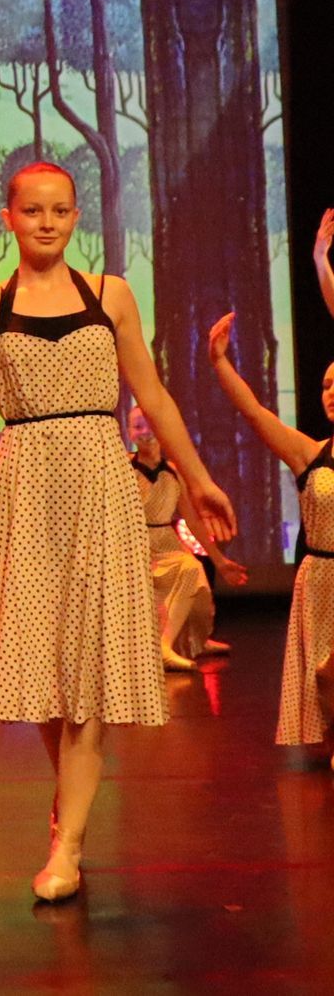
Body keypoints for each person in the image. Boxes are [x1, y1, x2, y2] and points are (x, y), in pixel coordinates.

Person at [0, 95, 234, 902]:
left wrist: (199, 478)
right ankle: (68, 797)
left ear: (76, 216)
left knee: (90, 672)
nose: (47, 221)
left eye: (60, 209)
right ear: (8, 218)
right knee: (43, 668)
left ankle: (68, 845)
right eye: (32, 210)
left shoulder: (110, 294)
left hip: (99, 478)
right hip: (28, 484)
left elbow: (154, 396)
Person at [209, 313, 334, 768]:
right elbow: (255, 413)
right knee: (325, 673)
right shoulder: (310, 453)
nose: (331, 392)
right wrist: (220, 363)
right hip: (321, 578)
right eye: (325, 385)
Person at [126, 405, 247, 669]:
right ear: (129, 433)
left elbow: (192, 519)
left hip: (167, 542)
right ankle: (165, 647)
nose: (145, 431)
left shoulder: (172, 471)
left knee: (195, 575)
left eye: (149, 424)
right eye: (137, 426)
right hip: (136, 545)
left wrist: (220, 561)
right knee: (183, 572)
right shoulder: (124, 467)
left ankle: (193, 641)